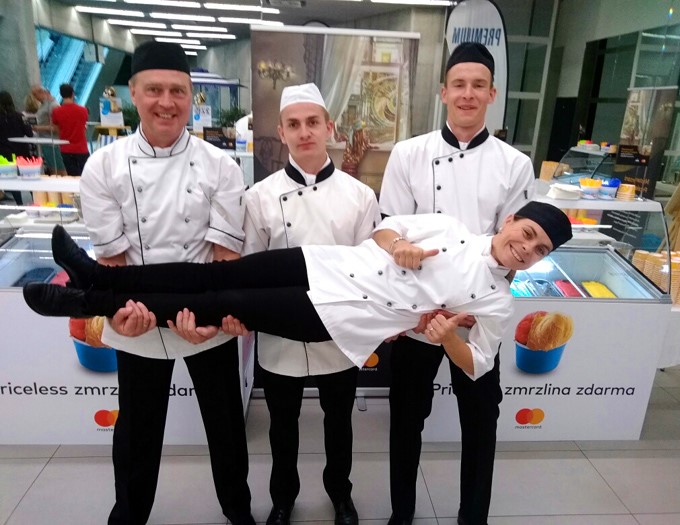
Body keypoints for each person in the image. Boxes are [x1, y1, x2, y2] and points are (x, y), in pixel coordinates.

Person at [25, 202, 572, 378]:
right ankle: (99, 275)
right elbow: (383, 229)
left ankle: (88, 302)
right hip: (326, 263)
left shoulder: (498, 301)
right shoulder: (449, 226)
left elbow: (479, 365)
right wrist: (399, 244)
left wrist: (449, 336)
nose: (526, 248)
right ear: (509, 221)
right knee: (214, 274)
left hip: (339, 316)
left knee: (221, 303)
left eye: (539, 249)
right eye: (526, 233)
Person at [75, 41, 253, 525]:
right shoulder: (104, 167)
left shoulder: (221, 166)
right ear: (133, 93)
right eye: (154, 90)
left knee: (225, 427)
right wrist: (119, 315)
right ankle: (129, 515)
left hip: (204, 315)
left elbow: (225, 259)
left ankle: (238, 511)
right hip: (136, 315)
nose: (167, 102)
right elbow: (112, 262)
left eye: (178, 91)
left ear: (191, 96)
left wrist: (214, 319)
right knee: (137, 430)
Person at [378, 42, 536, 525]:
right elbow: (390, 231)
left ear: (492, 94)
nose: (468, 94)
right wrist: (411, 308)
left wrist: (469, 310)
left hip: (476, 316)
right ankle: (401, 513)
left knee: (481, 421)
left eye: (478, 85)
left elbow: (514, 251)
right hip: (416, 314)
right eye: (459, 85)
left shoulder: (514, 163)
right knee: (406, 419)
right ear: (443, 92)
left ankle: (474, 517)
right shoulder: (408, 153)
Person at [242, 83, 380, 525]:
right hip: (281, 334)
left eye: (313, 123)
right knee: (281, 425)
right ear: (282, 132)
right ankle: (282, 499)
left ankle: (340, 494)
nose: (304, 132)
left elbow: (371, 271)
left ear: (329, 128)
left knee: (339, 423)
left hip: (339, 334)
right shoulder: (259, 196)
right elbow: (251, 270)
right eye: (294, 124)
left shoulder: (360, 196)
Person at [0, 91, 34, 204]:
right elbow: (29, 133)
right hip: (22, 150)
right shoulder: (20, 116)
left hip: (4, 153)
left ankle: (19, 204)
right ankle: (35, 201)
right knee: (29, 177)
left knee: (11, 179)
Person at [52, 83, 89, 175]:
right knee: (86, 175)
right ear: (73, 94)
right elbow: (84, 127)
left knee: (72, 176)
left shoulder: (56, 112)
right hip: (81, 148)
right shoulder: (83, 110)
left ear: (61, 95)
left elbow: (56, 129)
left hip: (65, 148)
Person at [30, 85, 67, 175]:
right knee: (53, 169)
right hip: (45, 141)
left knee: (59, 169)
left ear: (42, 92)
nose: (35, 97)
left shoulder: (53, 105)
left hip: (52, 142)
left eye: (35, 95)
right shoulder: (44, 105)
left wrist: (37, 128)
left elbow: (55, 127)